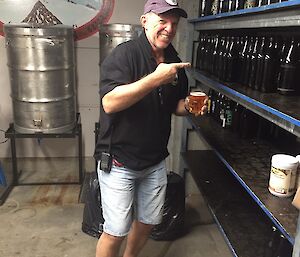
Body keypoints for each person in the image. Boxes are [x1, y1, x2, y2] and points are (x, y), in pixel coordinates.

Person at [94, 1, 207, 256]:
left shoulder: (172, 59)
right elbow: (110, 103)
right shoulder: (125, 54)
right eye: (163, 21)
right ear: (145, 21)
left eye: (174, 24)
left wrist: (189, 104)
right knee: (116, 230)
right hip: (120, 161)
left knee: (148, 222)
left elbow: (174, 105)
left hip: (154, 160)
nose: (169, 29)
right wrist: (155, 78)